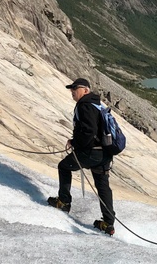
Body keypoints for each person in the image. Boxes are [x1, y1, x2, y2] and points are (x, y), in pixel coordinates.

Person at [47, 78, 115, 235]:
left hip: (91, 152)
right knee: (102, 185)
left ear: (85, 90)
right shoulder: (97, 105)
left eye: (75, 89)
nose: (72, 91)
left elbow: (88, 131)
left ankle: (63, 201)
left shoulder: (85, 105)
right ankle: (108, 223)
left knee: (64, 167)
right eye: (72, 89)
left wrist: (76, 143)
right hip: (104, 152)